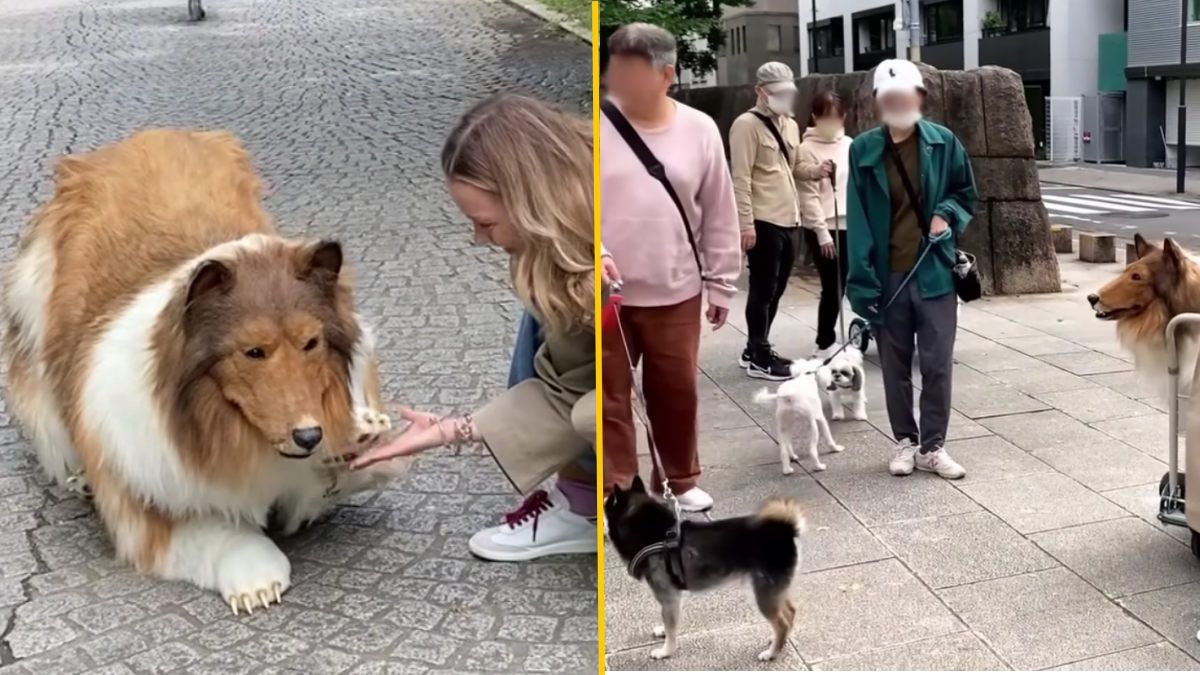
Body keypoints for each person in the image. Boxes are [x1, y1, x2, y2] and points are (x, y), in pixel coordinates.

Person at [350, 93, 598, 561]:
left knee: (590, 408)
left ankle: (595, 508)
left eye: (485, 222)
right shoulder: (562, 243)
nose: (478, 239)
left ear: (534, 202)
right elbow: (566, 383)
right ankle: (583, 497)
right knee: (545, 336)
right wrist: (454, 430)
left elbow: (584, 393)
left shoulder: (607, 261)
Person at [600, 23, 740, 511]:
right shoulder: (594, 126)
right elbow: (571, 205)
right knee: (607, 399)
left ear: (667, 75)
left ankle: (679, 479)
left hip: (677, 288)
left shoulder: (699, 129)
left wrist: (721, 283)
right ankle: (616, 487)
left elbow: (720, 210)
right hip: (608, 295)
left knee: (676, 393)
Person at [844, 59, 977, 480]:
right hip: (888, 276)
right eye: (891, 97)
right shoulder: (863, 149)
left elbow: (964, 193)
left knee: (938, 364)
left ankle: (933, 446)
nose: (900, 103)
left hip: (934, 270)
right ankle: (905, 440)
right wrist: (862, 283)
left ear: (920, 98)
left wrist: (946, 215)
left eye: (907, 96)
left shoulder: (943, 142)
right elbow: (859, 219)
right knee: (895, 365)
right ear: (879, 102)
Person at [728, 61, 833, 380]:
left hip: (790, 218)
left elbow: (794, 167)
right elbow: (740, 178)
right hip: (763, 218)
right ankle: (760, 353)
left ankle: (755, 347)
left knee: (778, 287)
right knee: (762, 288)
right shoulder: (745, 125)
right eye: (779, 93)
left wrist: (817, 171)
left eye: (790, 93)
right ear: (761, 92)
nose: (786, 99)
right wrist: (745, 223)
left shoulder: (789, 124)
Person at [796, 90, 854, 358]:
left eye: (837, 117)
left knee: (853, 283)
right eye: (826, 117)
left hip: (851, 225)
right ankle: (824, 342)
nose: (832, 123)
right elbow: (807, 196)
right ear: (815, 117)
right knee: (833, 287)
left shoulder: (851, 145)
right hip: (824, 228)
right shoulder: (805, 149)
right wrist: (821, 233)